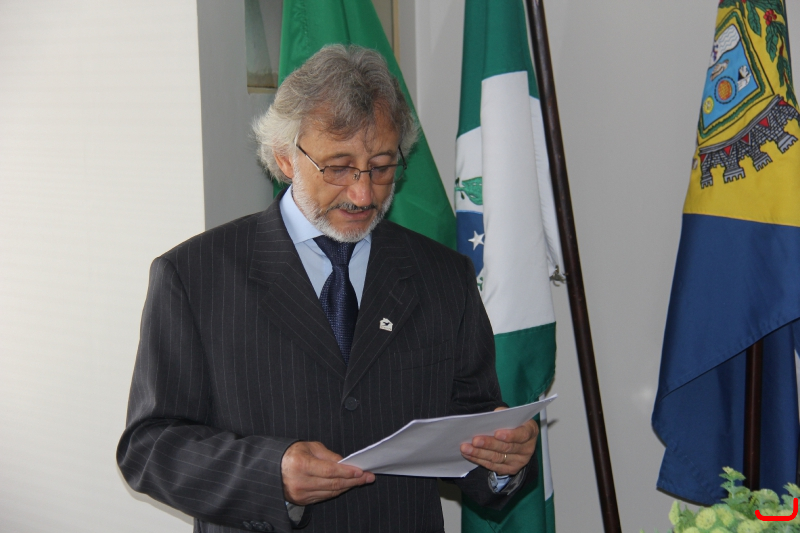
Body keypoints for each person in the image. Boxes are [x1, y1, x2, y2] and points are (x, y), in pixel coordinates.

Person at [117, 44, 539, 533]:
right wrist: (270, 472)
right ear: (285, 157)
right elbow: (150, 447)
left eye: (381, 167)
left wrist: (503, 459)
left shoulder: (443, 276)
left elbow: (471, 423)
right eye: (338, 167)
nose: (363, 194)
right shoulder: (194, 275)